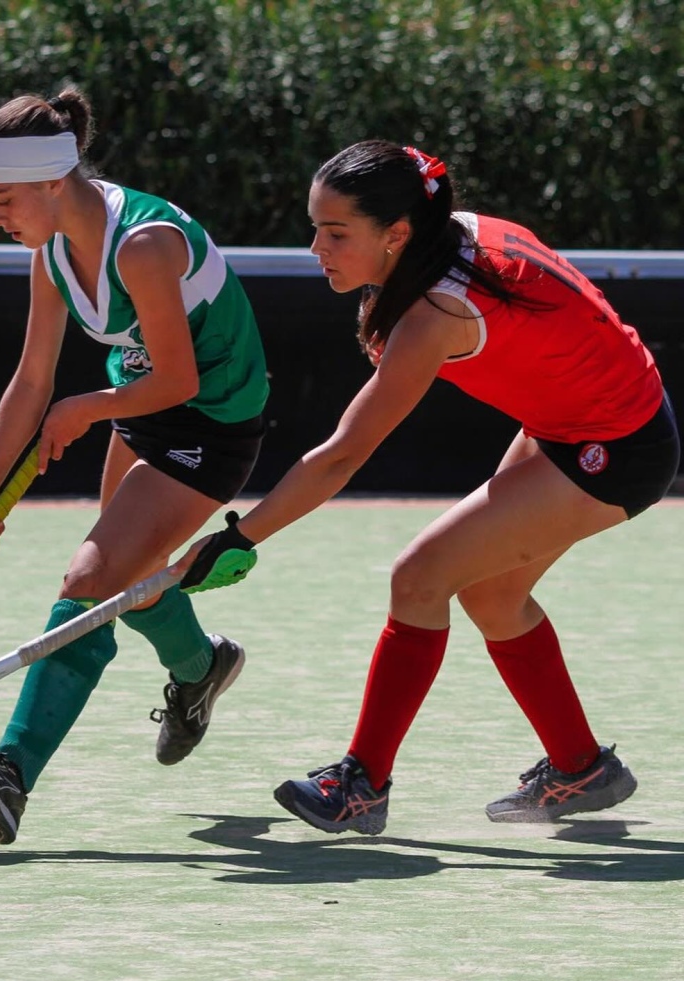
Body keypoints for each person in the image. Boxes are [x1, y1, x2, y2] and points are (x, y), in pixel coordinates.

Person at [176, 139, 680, 835]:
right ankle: (582, 767)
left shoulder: (435, 315)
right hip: (590, 416)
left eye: (335, 233)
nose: (316, 248)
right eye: (315, 228)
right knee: (489, 591)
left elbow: (342, 457)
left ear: (398, 233)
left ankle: (362, 785)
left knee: (420, 577)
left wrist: (240, 537)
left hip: (615, 445)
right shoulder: (455, 232)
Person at [0, 87, 269, 844]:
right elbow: (31, 381)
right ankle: (201, 668)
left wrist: (87, 408)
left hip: (212, 420)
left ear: (55, 181)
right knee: (124, 575)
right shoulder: (52, 254)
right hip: (141, 403)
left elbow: (180, 381)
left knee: (91, 580)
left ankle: (11, 774)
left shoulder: (144, 244)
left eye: (4, 199)